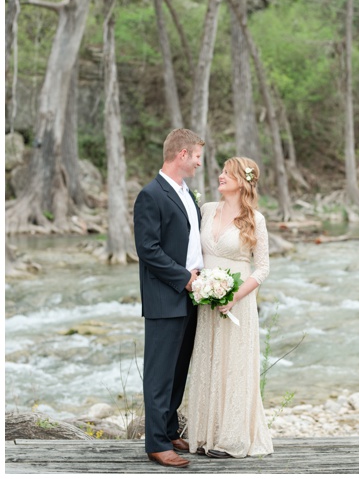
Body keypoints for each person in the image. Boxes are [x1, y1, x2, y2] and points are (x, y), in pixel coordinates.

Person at [182, 157, 274, 458]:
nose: (220, 176)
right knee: (208, 362)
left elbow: (261, 270)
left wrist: (234, 296)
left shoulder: (255, 220)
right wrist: (199, 284)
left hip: (238, 302)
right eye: (221, 171)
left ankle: (231, 439)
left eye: (227, 172)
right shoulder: (207, 209)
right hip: (206, 300)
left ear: (242, 181)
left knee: (234, 365)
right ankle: (206, 436)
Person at [133, 128, 205, 468]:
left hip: (192, 295)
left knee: (178, 370)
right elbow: (147, 250)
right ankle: (156, 444)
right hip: (167, 296)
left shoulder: (187, 193)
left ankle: (169, 428)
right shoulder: (152, 194)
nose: (199, 163)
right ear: (181, 155)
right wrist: (184, 279)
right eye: (196, 157)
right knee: (160, 373)